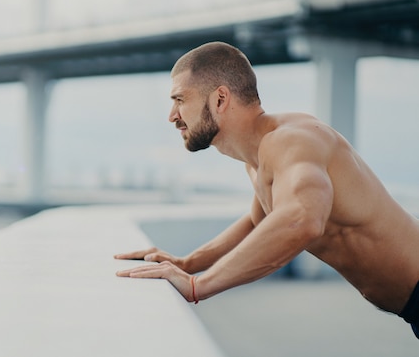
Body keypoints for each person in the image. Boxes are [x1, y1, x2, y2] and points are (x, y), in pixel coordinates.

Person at [114, 41, 419, 339]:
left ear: (220, 99)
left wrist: (198, 286)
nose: (172, 115)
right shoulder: (258, 159)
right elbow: (259, 223)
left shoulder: (291, 140)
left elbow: (301, 218)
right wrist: (187, 263)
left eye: (180, 99)